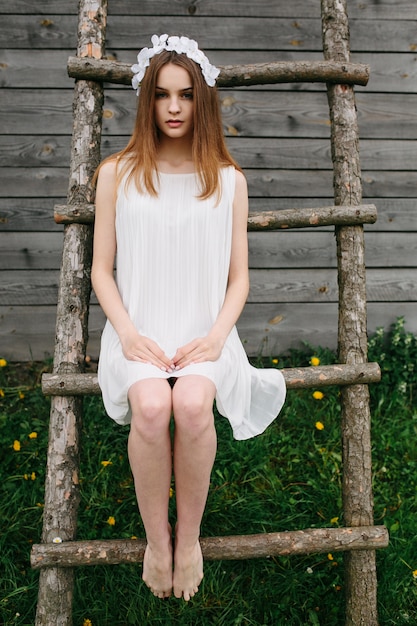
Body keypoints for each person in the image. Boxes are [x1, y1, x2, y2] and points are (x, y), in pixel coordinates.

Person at [91, 34, 286, 602]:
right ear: (146, 102)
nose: (174, 108)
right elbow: (102, 270)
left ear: (203, 102)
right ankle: (158, 543)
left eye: (185, 95)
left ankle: (191, 541)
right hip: (138, 330)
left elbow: (239, 278)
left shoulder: (228, 180)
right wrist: (128, 333)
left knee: (193, 403)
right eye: (161, 95)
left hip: (206, 330)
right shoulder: (117, 174)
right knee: (152, 406)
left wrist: (216, 337)